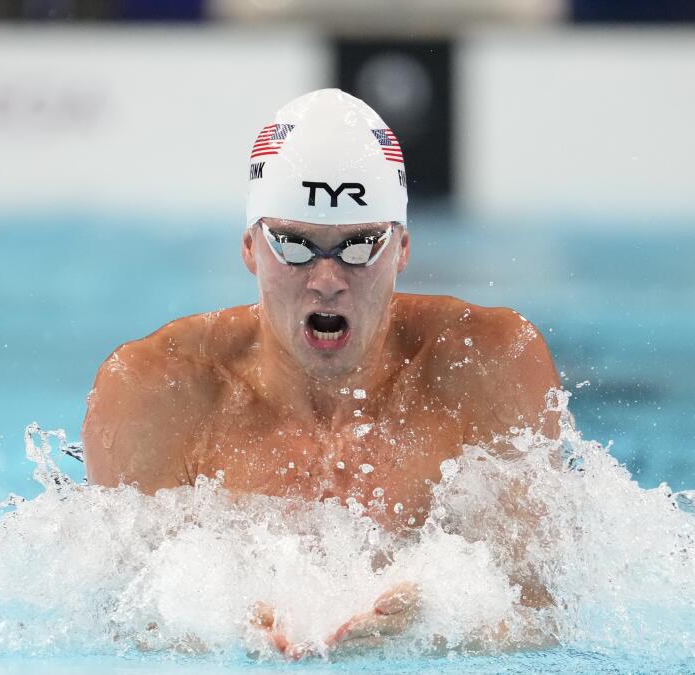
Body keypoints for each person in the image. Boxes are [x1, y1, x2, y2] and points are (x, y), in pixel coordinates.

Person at [82, 88, 562, 657]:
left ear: (402, 249)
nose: (328, 278)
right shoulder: (157, 390)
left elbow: (541, 616)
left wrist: (438, 627)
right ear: (250, 248)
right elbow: (116, 625)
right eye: (294, 246)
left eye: (360, 247)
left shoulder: (487, 365)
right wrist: (223, 631)